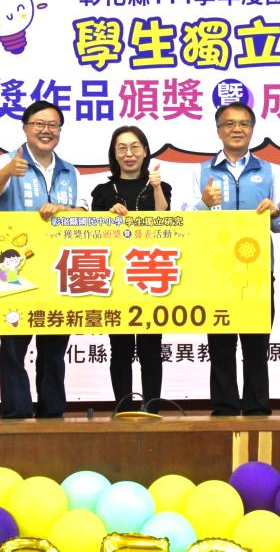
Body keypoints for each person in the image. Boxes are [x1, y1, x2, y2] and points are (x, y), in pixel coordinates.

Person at [0, 100, 88, 418]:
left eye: (53, 125)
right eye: (39, 124)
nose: (46, 130)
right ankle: (16, 412)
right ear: (25, 128)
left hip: (59, 271)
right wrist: (7, 171)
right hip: (15, 272)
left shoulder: (70, 170)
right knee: (14, 347)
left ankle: (52, 411)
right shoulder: (7, 161)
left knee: (54, 347)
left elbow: (84, 212)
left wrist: (64, 210)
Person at [190, 101, 280, 415]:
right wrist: (203, 204)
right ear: (219, 130)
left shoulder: (268, 170)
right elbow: (186, 223)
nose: (237, 129)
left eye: (244, 124)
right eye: (229, 124)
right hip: (216, 272)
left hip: (256, 271)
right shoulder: (200, 171)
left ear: (252, 130)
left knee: (257, 344)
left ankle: (257, 407)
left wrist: (275, 212)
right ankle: (224, 407)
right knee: (220, 345)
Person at [90, 126, 171, 412]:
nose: (129, 153)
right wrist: (108, 214)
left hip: (152, 274)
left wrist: (157, 187)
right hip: (116, 279)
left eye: (135, 147)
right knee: (120, 349)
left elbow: (165, 219)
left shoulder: (160, 186)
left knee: (151, 347)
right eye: (122, 148)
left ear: (145, 151)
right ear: (114, 154)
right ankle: (123, 408)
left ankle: (153, 407)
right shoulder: (102, 192)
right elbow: (92, 234)